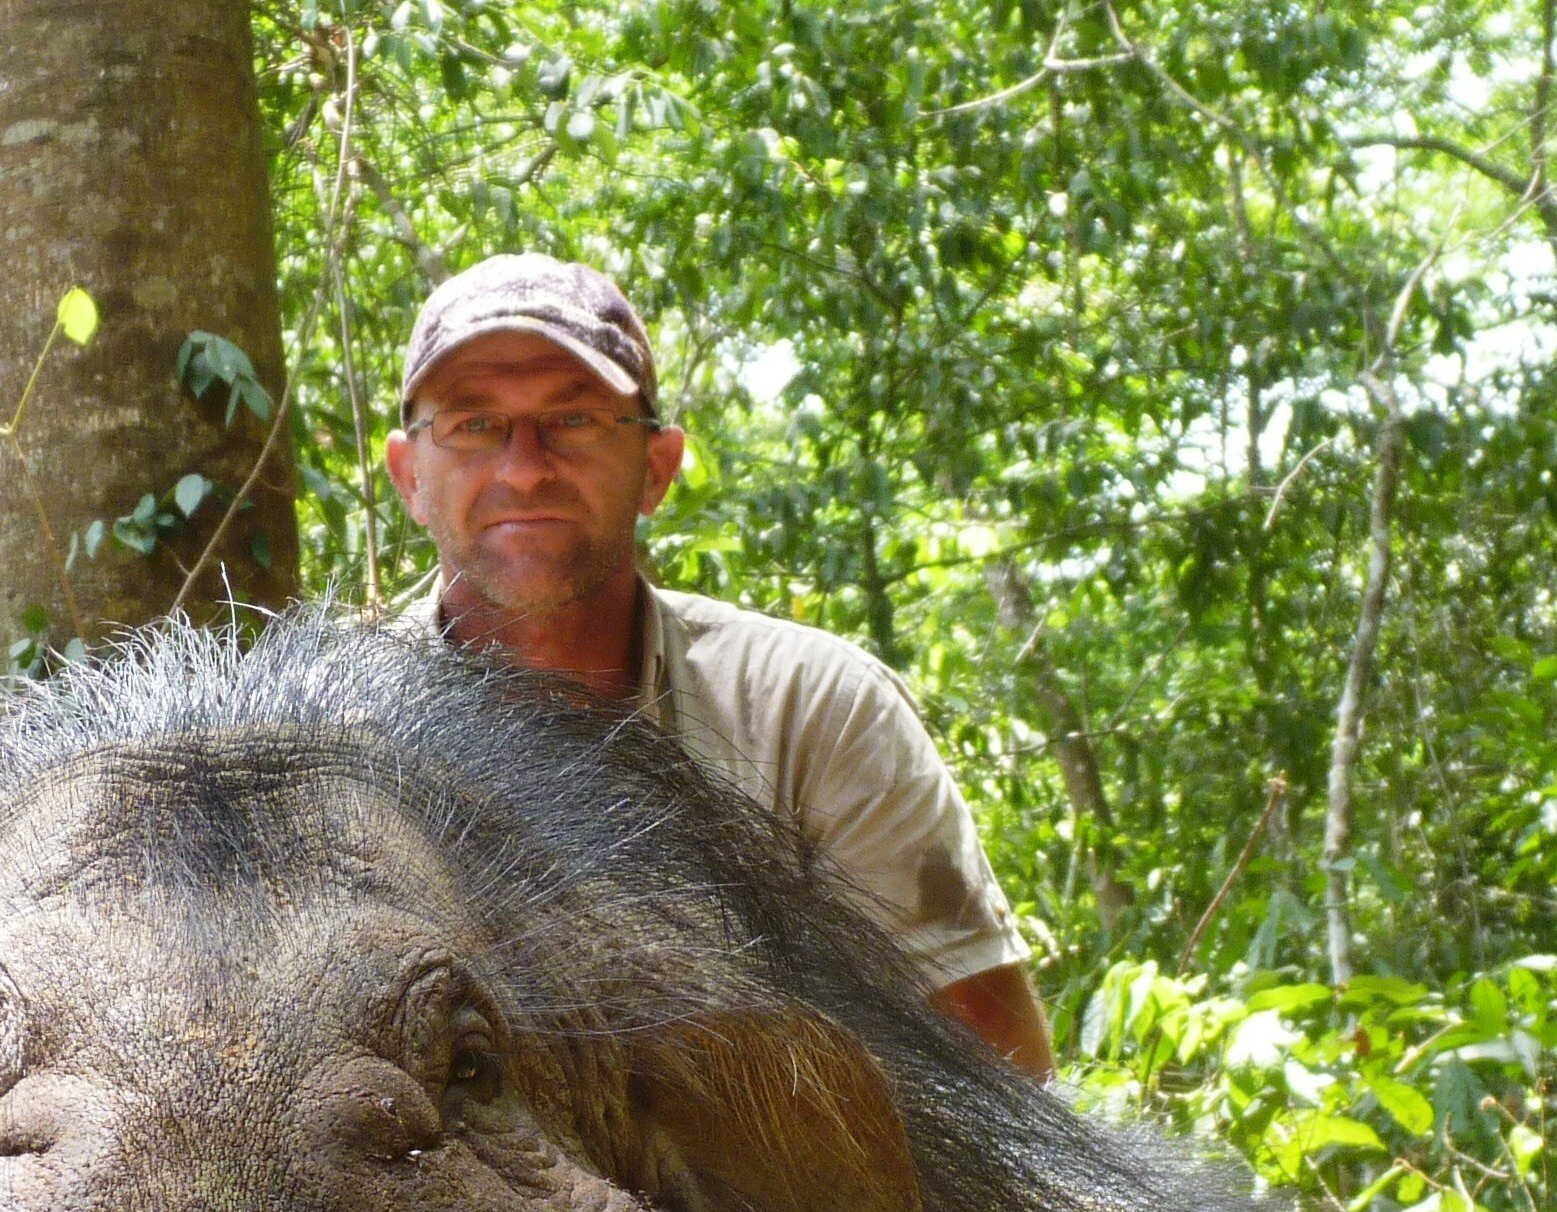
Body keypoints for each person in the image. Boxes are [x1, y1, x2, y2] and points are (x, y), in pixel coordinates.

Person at [383, 255, 1056, 1080]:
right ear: (410, 476)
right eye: (474, 425)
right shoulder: (323, 737)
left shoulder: (809, 709)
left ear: (657, 468)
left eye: (576, 421)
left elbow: (998, 1066)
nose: (524, 467)